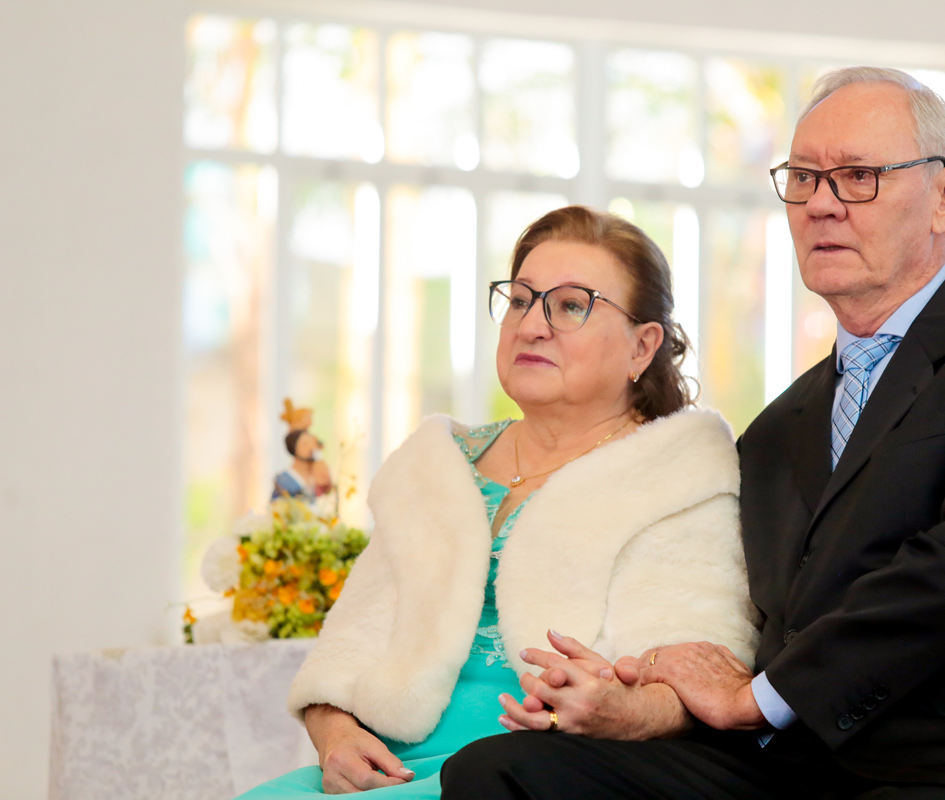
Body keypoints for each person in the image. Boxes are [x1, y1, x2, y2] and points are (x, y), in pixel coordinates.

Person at [442, 67, 945, 800]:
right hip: (799, 763)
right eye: (804, 179)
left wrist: (761, 697)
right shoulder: (777, 429)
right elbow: (755, 630)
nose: (821, 204)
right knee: (501, 770)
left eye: (857, 177)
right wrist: (637, 695)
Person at [236, 205, 758, 799]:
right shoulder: (436, 465)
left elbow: (698, 682)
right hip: (387, 765)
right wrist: (336, 737)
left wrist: (622, 707)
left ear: (642, 346)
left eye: (571, 305)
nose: (531, 325)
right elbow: (343, 656)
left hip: (534, 773)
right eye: (521, 300)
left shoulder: (679, 475)